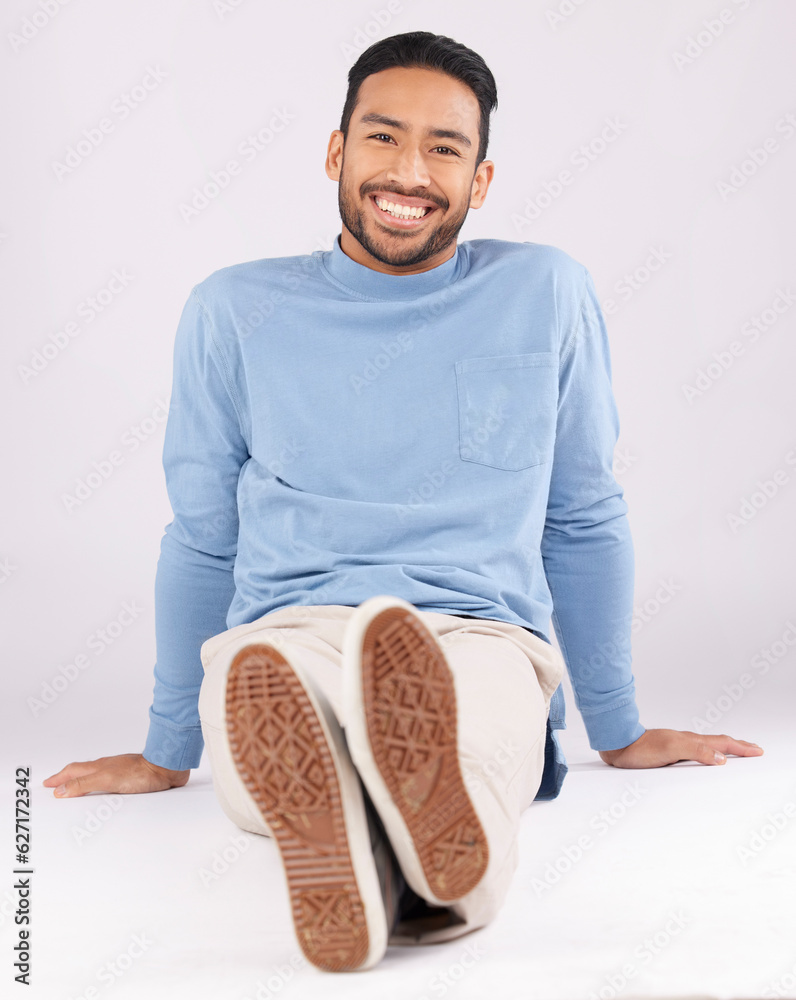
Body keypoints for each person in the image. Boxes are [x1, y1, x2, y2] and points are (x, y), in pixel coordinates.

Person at [45, 30, 764, 974]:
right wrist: (167, 745)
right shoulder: (233, 309)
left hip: (476, 632)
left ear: (483, 177)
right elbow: (205, 538)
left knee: (471, 739)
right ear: (337, 151)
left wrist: (618, 727)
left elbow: (582, 515)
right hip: (287, 627)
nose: (410, 171)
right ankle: (381, 852)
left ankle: (377, 832)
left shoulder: (546, 292)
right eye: (383, 138)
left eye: (445, 148)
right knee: (269, 692)